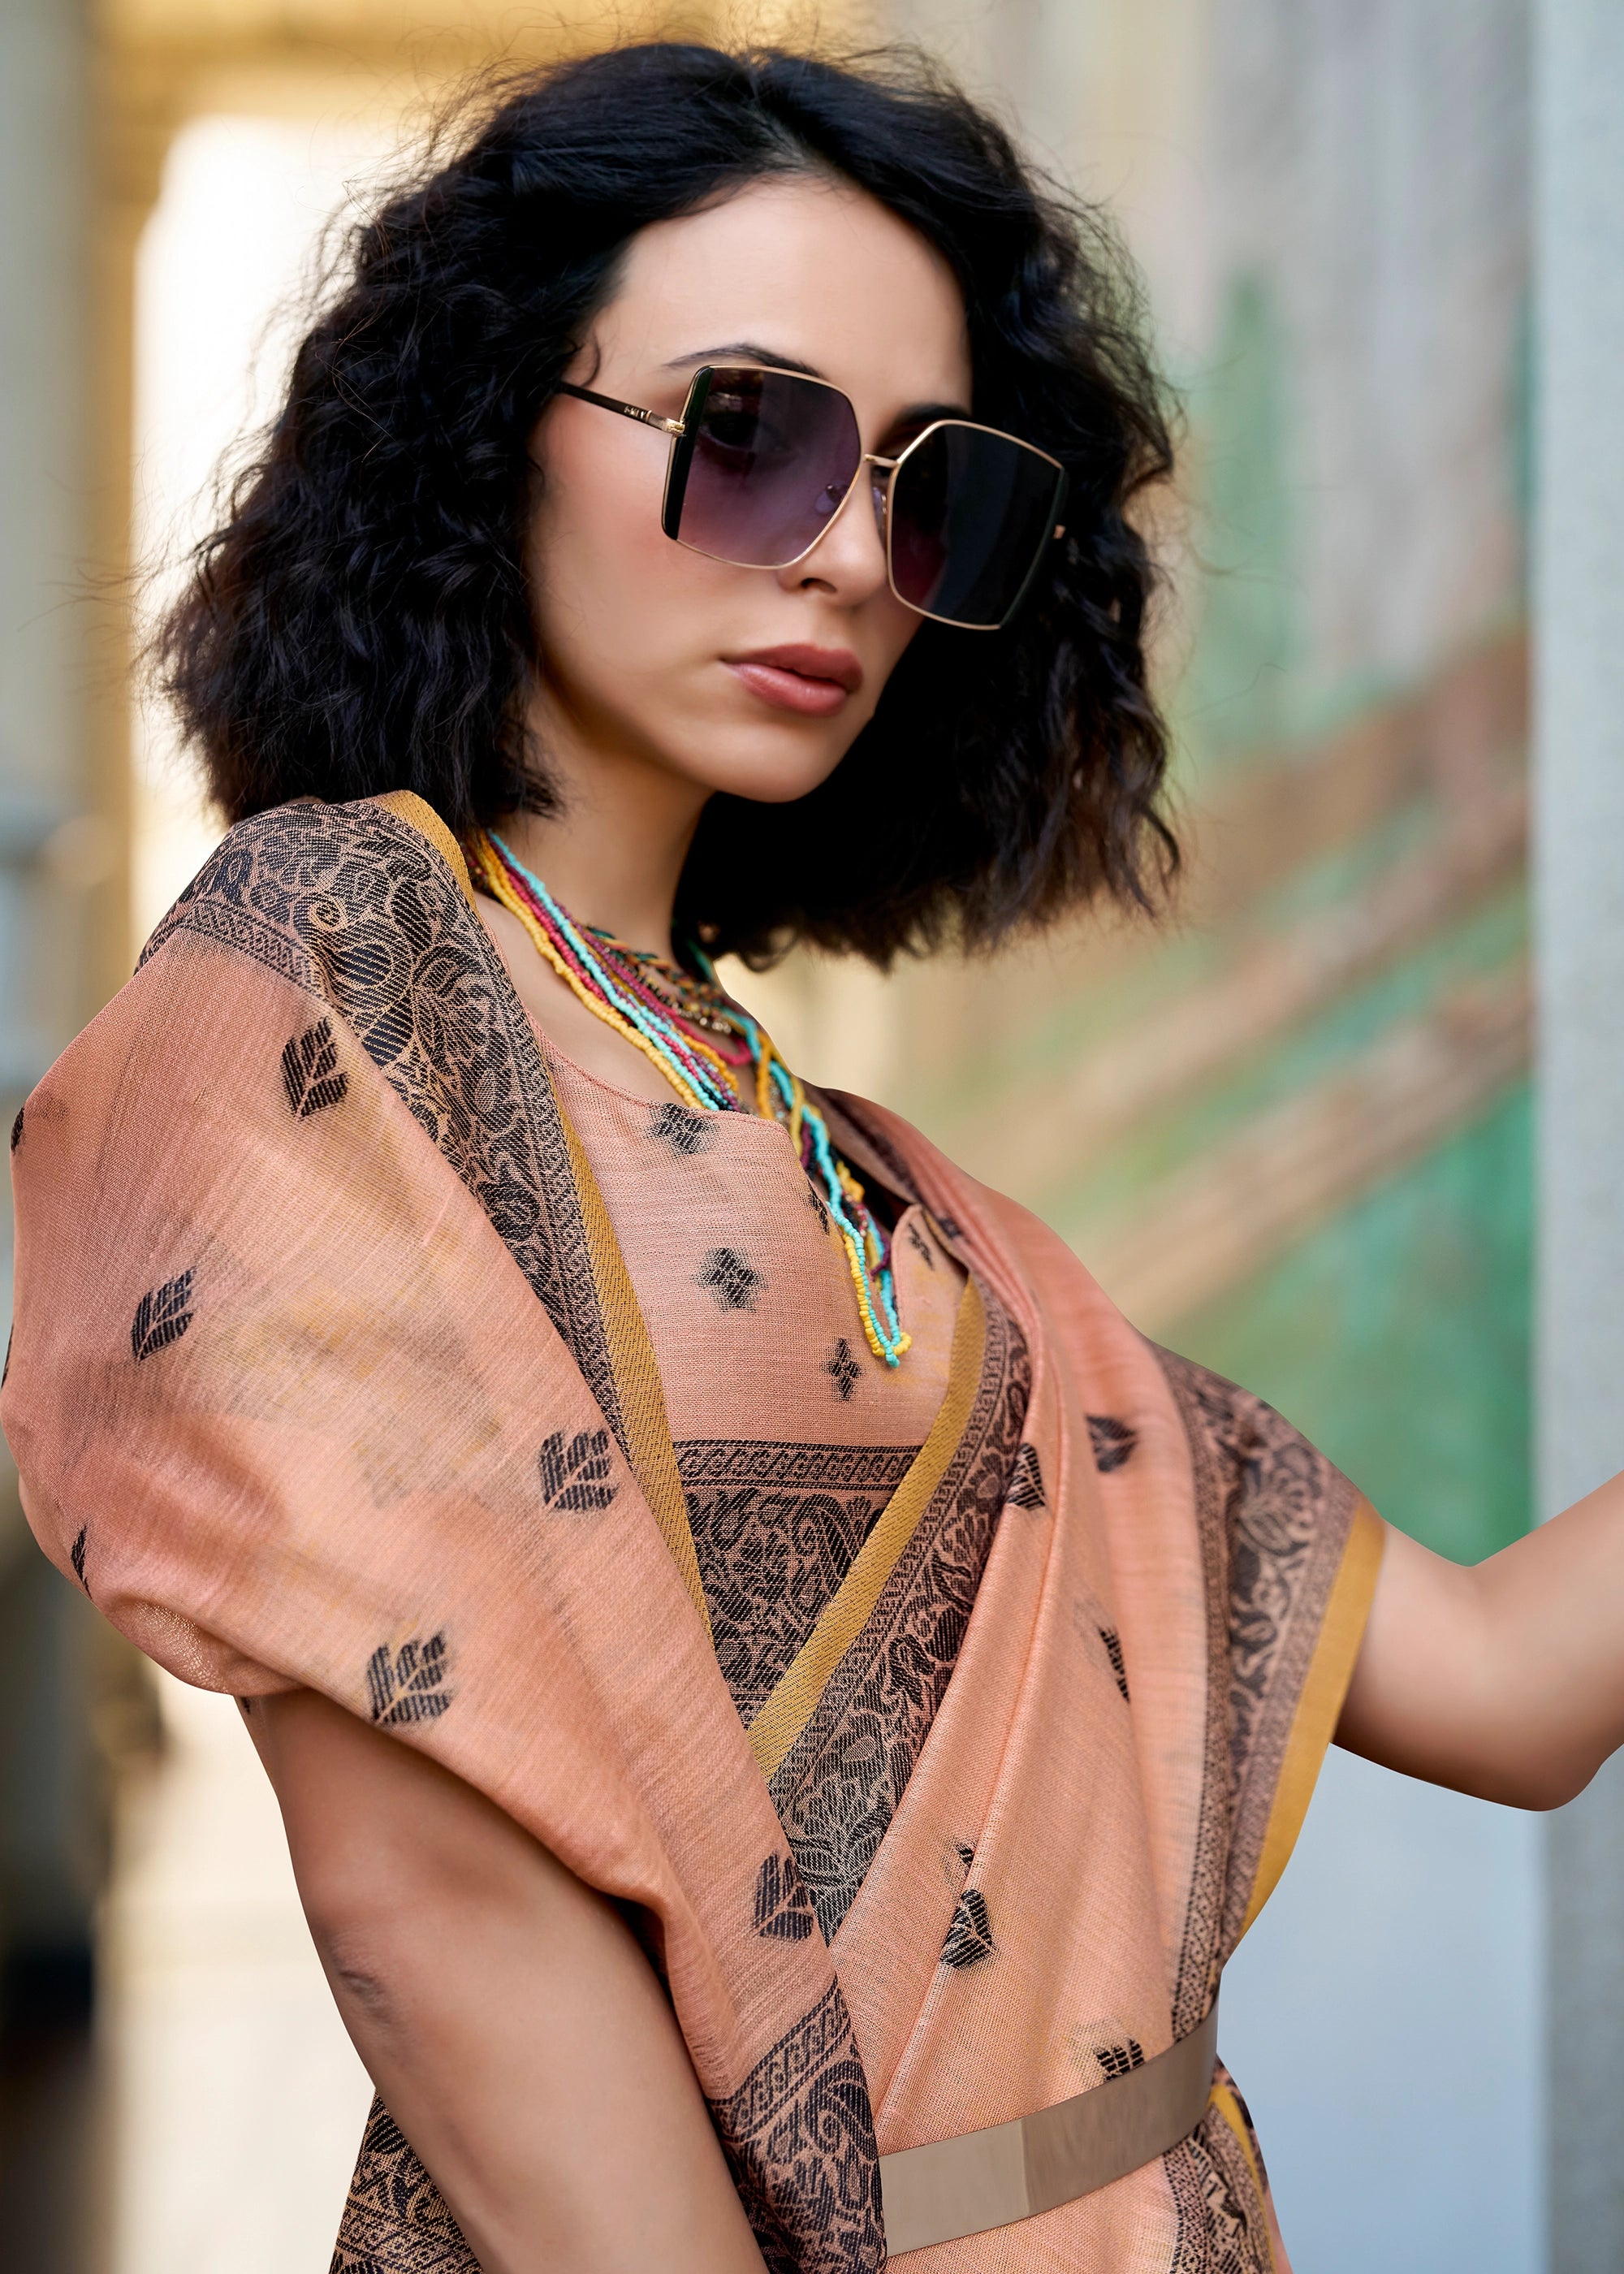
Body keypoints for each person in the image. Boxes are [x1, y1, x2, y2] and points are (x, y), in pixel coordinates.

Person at [3, 40, 1620, 2274]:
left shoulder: (866, 1181)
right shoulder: (336, 968)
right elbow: (432, 1906)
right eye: (750, 434)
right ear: (491, 430)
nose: (854, 556)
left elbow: (1512, 1690)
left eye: (933, 493)